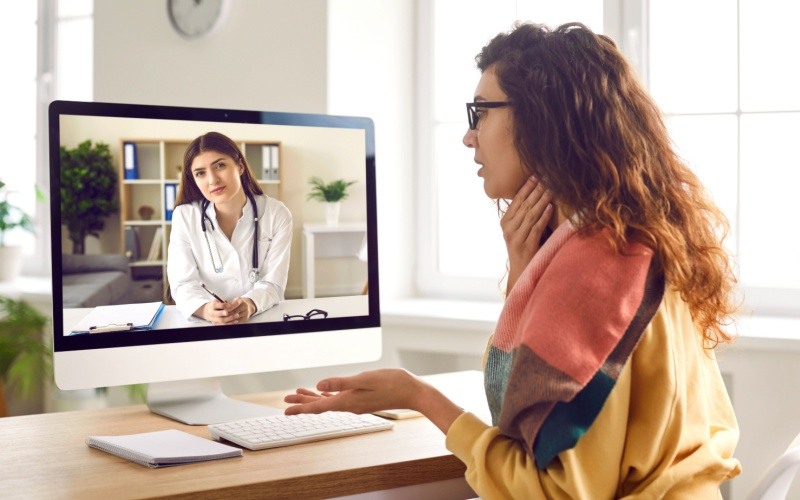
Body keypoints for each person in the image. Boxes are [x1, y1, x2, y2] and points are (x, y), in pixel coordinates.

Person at [284, 22, 741, 498]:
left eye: (480, 113)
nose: (468, 136)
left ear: (544, 119)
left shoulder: (592, 270)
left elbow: (551, 491)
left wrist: (419, 396)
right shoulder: (635, 241)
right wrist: (525, 279)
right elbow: (525, 419)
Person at [167, 131, 292, 325]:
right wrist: (206, 310)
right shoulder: (184, 216)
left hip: (262, 319)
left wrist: (251, 304)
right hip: (207, 324)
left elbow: (273, 283)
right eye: (201, 173)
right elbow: (183, 283)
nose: (212, 180)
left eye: (220, 165)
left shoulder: (276, 213)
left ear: (240, 166)